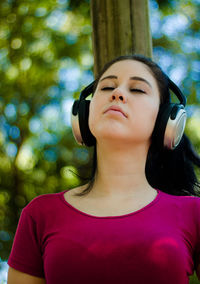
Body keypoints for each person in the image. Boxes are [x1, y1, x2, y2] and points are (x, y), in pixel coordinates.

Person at [7, 54, 200, 284]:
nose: (117, 93)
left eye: (137, 89)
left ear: (166, 121)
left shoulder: (194, 213)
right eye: (107, 86)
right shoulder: (39, 214)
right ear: (84, 112)